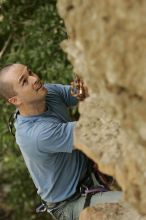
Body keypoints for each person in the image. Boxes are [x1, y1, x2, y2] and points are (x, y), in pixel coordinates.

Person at [0, 63, 122, 220]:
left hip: (89, 174)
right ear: (15, 100)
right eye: (24, 81)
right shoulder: (37, 134)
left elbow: (79, 93)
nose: (34, 79)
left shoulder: (46, 93)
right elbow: (95, 130)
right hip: (70, 204)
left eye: (30, 72)